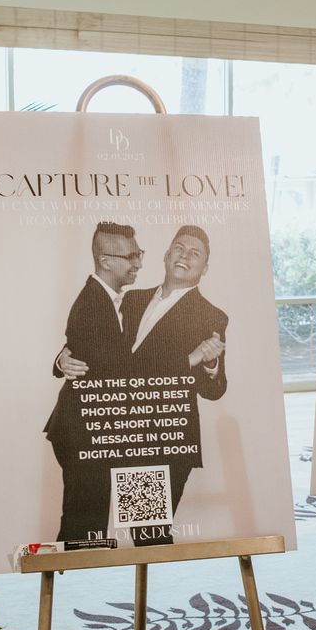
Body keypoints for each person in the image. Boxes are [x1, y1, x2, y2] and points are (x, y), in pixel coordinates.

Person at [123, 224, 227, 543]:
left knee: (148, 532)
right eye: (179, 248)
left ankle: (150, 592)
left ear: (204, 268)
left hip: (164, 431)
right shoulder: (130, 301)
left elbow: (214, 390)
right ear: (167, 255)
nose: (185, 256)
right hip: (115, 426)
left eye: (195, 254)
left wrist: (208, 362)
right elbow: (111, 358)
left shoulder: (211, 316)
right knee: (104, 525)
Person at [44, 221, 144, 541]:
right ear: (106, 261)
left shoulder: (115, 300)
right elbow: (118, 367)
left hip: (99, 425)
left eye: (139, 253)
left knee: (91, 515)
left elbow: (89, 352)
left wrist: (62, 359)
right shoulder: (91, 305)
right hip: (86, 429)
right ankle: (70, 577)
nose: (139, 263)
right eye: (131, 256)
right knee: (85, 521)